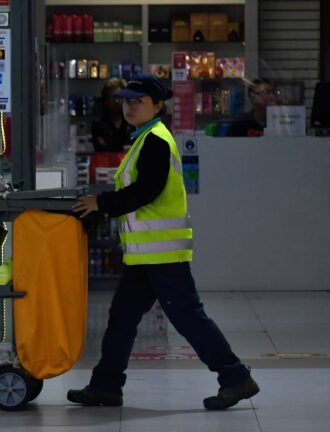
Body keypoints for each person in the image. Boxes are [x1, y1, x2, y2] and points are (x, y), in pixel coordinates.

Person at [68, 74, 259, 409]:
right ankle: (106, 386)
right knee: (122, 317)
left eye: (137, 101)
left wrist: (103, 203)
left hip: (163, 256)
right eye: (126, 101)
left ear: (157, 106)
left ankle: (236, 377)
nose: (129, 107)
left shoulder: (155, 140)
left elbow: (146, 191)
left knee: (188, 318)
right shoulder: (143, 138)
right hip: (145, 256)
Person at [91, 78, 134, 152]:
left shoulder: (133, 123)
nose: (116, 101)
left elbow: (137, 149)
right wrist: (123, 149)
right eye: (112, 97)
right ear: (105, 100)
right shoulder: (97, 124)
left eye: (119, 97)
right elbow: (102, 150)